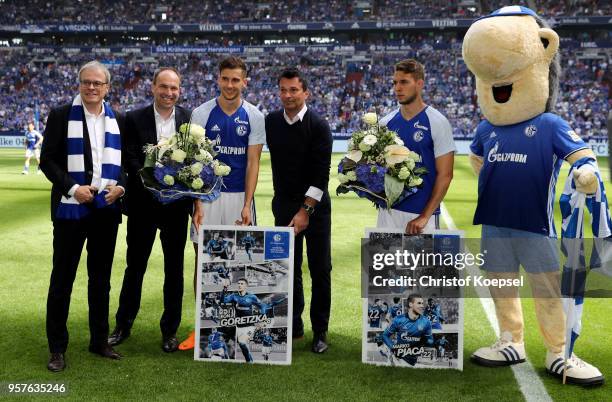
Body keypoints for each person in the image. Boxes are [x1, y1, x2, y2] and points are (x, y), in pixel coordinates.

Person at [40, 60, 125, 372]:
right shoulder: (61, 115)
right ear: (79, 84)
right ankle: (57, 348)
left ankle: (99, 341)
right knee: (62, 280)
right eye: (87, 82)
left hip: (106, 210)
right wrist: (73, 188)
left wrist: (122, 188)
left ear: (106, 87)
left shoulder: (119, 119)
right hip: (69, 210)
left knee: (100, 280)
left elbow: (126, 165)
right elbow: (47, 161)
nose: (92, 87)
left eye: (97, 83)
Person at [180, 56, 265, 350]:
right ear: (218, 79)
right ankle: (201, 325)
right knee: (202, 261)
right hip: (208, 197)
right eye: (225, 79)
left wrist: (247, 203)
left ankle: (239, 329)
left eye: (236, 80)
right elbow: (193, 162)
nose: (230, 85)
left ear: (245, 82)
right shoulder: (201, 113)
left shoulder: (254, 116)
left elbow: (253, 162)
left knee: (239, 263)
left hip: (239, 198)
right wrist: (198, 203)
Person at [107, 67, 192, 353]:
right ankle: (123, 325)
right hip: (143, 206)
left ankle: (170, 331)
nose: (169, 93)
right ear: (153, 87)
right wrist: (151, 176)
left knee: (174, 270)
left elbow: (195, 161)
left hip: (177, 208)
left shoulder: (188, 118)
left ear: (180, 90)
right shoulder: (134, 118)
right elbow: (128, 157)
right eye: (164, 87)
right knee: (136, 267)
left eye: (174, 88)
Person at [265, 68, 333, 353]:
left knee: (320, 269)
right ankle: (293, 325)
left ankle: (320, 331)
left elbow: (321, 175)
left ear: (306, 93)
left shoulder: (319, 125)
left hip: (315, 209)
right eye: (283, 90)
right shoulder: (270, 121)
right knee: (286, 270)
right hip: (283, 206)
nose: (288, 95)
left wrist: (305, 210)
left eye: (294, 90)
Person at [378, 59, 456, 234]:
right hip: (387, 214)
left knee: (421, 263)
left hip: (421, 219)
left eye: (404, 82)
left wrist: (424, 216)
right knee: (385, 262)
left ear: (419, 84)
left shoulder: (437, 122)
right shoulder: (385, 123)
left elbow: (446, 175)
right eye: (395, 82)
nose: (397, 88)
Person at [220, 278, 271, 362]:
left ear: (246, 286)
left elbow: (262, 306)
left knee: (242, 343)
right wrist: (224, 289)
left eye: (242, 283)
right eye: (239, 283)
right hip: (239, 325)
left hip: (250, 325)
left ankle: (249, 362)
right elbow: (223, 302)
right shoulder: (234, 296)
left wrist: (262, 316)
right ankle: (250, 362)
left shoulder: (251, 297)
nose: (240, 285)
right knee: (244, 347)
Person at [382, 294, 434, 366]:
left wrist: (424, 341)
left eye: (422, 303)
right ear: (410, 304)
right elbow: (385, 335)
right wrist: (393, 347)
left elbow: (431, 340)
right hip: (399, 359)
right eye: (419, 303)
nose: (422, 306)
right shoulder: (398, 319)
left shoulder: (426, 322)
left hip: (415, 360)